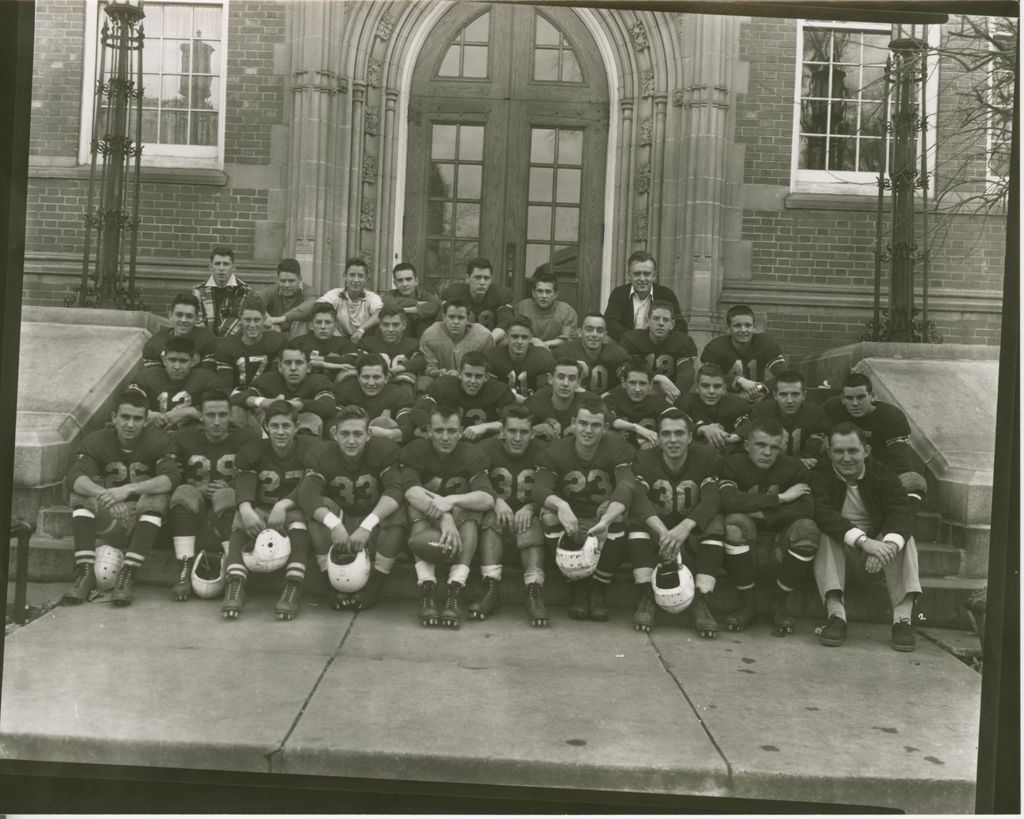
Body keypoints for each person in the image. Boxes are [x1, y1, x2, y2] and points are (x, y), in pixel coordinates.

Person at [61, 391, 181, 607]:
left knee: (157, 497)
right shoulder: (96, 440)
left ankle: (127, 574)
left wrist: (128, 490)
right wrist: (107, 496)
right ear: (114, 417)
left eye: (137, 418)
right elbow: (74, 477)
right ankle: (86, 573)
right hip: (111, 517)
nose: (130, 424)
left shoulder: (160, 441)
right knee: (80, 493)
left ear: (146, 421)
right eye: (125, 417)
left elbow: (171, 479)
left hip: (147, 522)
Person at [811, 422, 922, 652]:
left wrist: (885, 545)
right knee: (826, 533)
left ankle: (902, 621)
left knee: (905, 539)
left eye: (853, 451)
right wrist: (865, 542)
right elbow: (823, 513)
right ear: (829, 452)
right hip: (845, 553)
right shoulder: (821, 474)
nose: (846, 458)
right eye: (838, 451)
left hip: (878, 559)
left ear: (866, 451)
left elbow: (900, 511)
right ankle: (836, 617)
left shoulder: (882, 474)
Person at [533, 398, 637, 621]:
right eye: (583, 423)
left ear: (605, 428)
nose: (588, 430)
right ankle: (577, 587)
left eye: (595, 425)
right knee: (549, 515)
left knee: (618, 515)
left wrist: (607, 519)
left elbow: (627, 486)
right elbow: (539, 488)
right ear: (573, 423)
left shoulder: (618, 449)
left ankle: (599, 589)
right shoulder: (555, 451)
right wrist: (561, 505)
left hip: (600, 518)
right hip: (570, 518)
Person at [298, 405, 408, 612]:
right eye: (345, 433)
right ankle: (328, 580)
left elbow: (395, 490)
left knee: (396, 511)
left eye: (358, 434)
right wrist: (334, 524)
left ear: (368, 434)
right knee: (321, 507)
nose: (351, 440)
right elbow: (307, 495)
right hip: (340, 527)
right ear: (334, 434)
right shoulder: (320, 454)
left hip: (372, 528)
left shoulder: (383, 450)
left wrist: (367, 526)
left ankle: (376, 581)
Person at [718, 417, 820, 635]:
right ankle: (748, 603)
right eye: (761, 445)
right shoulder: (733, 463)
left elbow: (805, 509)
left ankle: (778, 602)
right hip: (746, 546)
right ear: (747, 445)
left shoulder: (794, 468)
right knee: (734, 524)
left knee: (807, 529)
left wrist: (760, 513)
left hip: (779, 544)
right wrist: (780, 499)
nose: (767, 453)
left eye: (774, 447)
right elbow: (727, 501)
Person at [629, 408, 725, 636]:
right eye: (667, 434)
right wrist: (663, 531)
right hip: (657, 537)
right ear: (658, 438)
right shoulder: (643, 459)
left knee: (716, 523)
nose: (673, 440)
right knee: (635, 521)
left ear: (690, 437)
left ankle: (701, 600)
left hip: (690, 536)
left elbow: (712, 499)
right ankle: (646, 595)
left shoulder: (707, 458)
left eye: (680, 433)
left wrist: (685, 527)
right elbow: (638, 498)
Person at [402, 405, 496, 628]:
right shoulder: (415, 450)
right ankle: (427, 587)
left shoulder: (472, 453)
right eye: (439, 430)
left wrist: (452, 501)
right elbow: (410, 491)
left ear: (461, 431)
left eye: (452, 431)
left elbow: (487, 498)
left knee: (470, 511)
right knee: (416, 509)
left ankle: (456, 586)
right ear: (429, 431)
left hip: (459, 520)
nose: (445, 437)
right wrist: (445, 516)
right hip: (430, 516)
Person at [221, 401, 316, 620]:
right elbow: (245, 482)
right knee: (241, 516)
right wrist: (245, 507)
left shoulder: (310, 448)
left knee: (298, 520)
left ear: (296, 426)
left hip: (295, 507)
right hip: (262, 507)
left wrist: (283, 505)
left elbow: (311, 485)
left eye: (286, 426)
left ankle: (293, 584)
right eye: (275, 426)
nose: (280, 432)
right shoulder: (252, 451)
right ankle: (235, 582)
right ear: (266, 426)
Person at [167, 390, 258, 601]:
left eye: (223, 415)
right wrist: (196, 489)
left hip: (232, 520)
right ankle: (184, 569)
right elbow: (168, 478)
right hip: (190, 521)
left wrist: (233, 487)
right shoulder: (183, 438)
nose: (217, 422)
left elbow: (257, 478)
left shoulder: (245, 438)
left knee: (225, 495)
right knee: (184, 491)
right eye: (210, 415)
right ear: (200, 415)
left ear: (230, 415)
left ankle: (235, 574)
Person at [475, 405, 549, 626]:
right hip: (497, 523)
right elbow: (474, 481)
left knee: (531, 524)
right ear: (502, 432)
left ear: (532, 433)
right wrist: (495, 500)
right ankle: (491, 588)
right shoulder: (485, 448)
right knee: (491, 519)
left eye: (524, 432)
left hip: (528, 523)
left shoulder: (544, 451)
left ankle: (534, 592)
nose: (517, 437)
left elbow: (551, 487)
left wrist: (532, 507)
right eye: (512, 431)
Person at [822, 372, 928, 509]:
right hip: (842, 473)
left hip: (879, 475)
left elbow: (900, 463)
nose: (855, 403)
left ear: (872, 396)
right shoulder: (832, 409)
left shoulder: (891, 417)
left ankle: (900, 527)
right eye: (849, 398)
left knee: (913, 481)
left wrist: (870, 483)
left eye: (861, 397)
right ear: (842, 398)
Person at [230, 343, 336, 437]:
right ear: (280, 367)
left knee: (313, 419)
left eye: (299, 363)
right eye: (288, 363)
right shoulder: (267, 380)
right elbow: (235, 398)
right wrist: (264, 402)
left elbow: (328, 406)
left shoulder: (318, 381)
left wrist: (298, 404)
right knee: (237, 410)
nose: (293, 368)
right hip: (267, 427)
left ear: (308, 367)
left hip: (301, 429)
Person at [411, 352, 516, 442]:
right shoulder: (444, 386)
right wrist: (444, 430)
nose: (472, 381)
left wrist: (485, 427)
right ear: (460, 374)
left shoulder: (498, 390)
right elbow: (418, 411)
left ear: (486, 377)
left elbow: (515, 421)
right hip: (449, 442)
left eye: (478, 376)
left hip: (485, 445)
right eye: (468, 375)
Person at [128, 335, 221, 430]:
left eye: (183, 361)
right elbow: (127, 401)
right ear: (164, 360)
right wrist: (146, 413)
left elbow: (220, 409)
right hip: (156, 434)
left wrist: (188, 412)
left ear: (193, 362)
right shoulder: (147, 376)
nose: (177, 366)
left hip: (191, 436)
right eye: (172, 360)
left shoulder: (207, 379)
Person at [746, 370, 831, 468]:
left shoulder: (817, 415)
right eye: (783, 394)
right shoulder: (760, 412)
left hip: (803, 471)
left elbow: (812, 454)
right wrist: (793, 463)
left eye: (795, 394)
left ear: (804, 395)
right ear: (775, 395)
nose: (789, 400)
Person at [700, 304, 786, 401]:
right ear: (728, 328)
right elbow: (706, 378)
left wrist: (760, 388)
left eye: (748, 325)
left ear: (754, 327)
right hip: (726, 400)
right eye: (737, 325)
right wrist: (738, 380)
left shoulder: (766, 344)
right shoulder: (715, 348)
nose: (743, 330)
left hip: (758, 398)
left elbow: (784, 375)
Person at [621, 301, 698, 401]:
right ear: (648, 321)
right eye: (656, 318)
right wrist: (657, 377)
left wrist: (674, 395)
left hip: (669, 395)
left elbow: (687, 374)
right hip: (637, 393)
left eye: (666, 320)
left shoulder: (683, 341)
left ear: (672, 324)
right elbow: (626, 370)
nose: (661, 323)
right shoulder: (632, 339)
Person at [332, 353, 416, 444]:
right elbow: (331, 424)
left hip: (384, 447)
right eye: (366, 377)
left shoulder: (399, 394)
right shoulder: (345, 390)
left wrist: (386, 433)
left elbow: (408, 429)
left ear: (386, 378)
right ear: (358, 378)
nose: (371, 383)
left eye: (376, 377)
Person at [602, 251, 680, 341]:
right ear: (629, 276)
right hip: (626, 347)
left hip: (658, 347)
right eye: (636, 274)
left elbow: (680, 325)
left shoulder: (666, 294)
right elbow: (610, 322)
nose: (642, 279)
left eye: (647, 274)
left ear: (654, 276)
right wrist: (634, 339)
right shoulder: (619, 293)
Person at [214, 295, 285, 392]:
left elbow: (275, 384)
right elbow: (226, 388)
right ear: (240, 319)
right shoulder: (227, 346)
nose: (252, 325)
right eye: (247, 320)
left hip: (266, 398)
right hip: (236, 399)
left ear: (264, 320)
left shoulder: (277, 342)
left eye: (257, 320)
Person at [677, 363, 751, 453]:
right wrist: (702, 429)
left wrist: (733, 437)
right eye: (705, 386)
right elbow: (679, 425)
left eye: (717, 386)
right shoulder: (685, 402)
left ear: (724, 388)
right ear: (697, 387)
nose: (711, 391)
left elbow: (747, 425)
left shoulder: (735, 404)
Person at [524, 358, 600, 440]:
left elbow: (607, 432)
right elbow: (517, 433)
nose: (565, 383)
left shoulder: (591, 402)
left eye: (571, 378)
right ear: (550, 379)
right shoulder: (535, 403)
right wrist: (534, 432)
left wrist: (584, 433)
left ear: (578, 383)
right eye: (561, 377)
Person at [419, 298, 494, 381]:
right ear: (444, 317)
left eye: (461, 318)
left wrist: (460, 374)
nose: (455, 322)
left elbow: (488, 369)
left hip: (473, 382)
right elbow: (428, 368)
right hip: (441, 382)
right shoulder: (430, 335)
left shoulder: (483, 335)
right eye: (451, 317)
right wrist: (438, 372)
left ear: (469, 319)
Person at [311, 257, 384, 343]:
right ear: (345, 276)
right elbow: (318, 307)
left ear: (366, 279)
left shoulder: (371, 297)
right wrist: (335, 332)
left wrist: (361, 329)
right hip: (337, 341)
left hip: (363, 341)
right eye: (352, 275)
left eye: (360, 276)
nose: (356, 280)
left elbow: (381, 313)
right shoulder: (336, 294)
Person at [604, 360, 673, 450]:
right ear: (624, 383)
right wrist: (636, 427)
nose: (637, 389)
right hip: (617, 455)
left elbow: (680, 418)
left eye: (642, 383)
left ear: (650, 385)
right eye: (632, 383)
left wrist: (659, 440)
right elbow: (607, 417)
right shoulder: (612, 399)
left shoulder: (657, 402)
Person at [359, 306, 427, 396]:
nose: (390, 330)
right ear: (379, 325)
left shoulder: (413, 344)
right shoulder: (367, 343)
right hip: (372, 388)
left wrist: (397, 369)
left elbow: (420, 360)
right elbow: (358, 359)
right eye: (386, 325)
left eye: (395, 325)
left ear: (404, 325)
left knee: (406, 378)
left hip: (401, 391)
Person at [442, 258, 514, 343]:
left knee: (506, 341)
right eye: (478, 277)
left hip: (490, 343)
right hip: (459, 341)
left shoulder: (500, 294)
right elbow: (442, 320)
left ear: (490, 280)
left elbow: (506, 322)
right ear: (467, 278)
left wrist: (488, 341)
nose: (482, 282)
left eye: (486, 278)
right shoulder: (454, 293)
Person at [558, 312, 631, 395]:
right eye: (589, 329)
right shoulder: (565, 351)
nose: (594, 334)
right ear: (580, 332)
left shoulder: (617, 353)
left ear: (605, 334)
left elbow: (630, 379)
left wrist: (610, 394)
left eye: (599, 330)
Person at [485, 316, 554, 401]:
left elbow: (547, 391)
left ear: (530, 338)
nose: (519, 342)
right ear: (507, 336)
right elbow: (489, 390)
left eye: (524, 337)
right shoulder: (492, 356)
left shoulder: (543, 357)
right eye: (515, 336)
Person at [142, 293, 218, 370]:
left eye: (189, 316)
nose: (183, 320)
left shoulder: (208, 340)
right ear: (170, 315)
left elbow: (208, 376)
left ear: (197, 318)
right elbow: (152, 378)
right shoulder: (155, 343)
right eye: (179, 315)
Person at [192, 246, 252, 337]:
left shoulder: (244, 290)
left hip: (232, 345)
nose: (221, 268)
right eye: (217, 263)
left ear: (233, 267)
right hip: (205, 344)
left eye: (226, 264)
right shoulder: (199, 291)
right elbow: (198, 322)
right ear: (211, 267)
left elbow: (236, 321)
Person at [514, 271, 579, 350]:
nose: (544, 296)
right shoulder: (522, 307)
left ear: (556, 294)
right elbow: (514, 333)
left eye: (548, 292)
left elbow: (568, 339)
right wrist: (533, 341)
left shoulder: (567, 311)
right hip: (527, 350)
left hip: (555, 351)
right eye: (540, 291)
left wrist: (543, 345)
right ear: (533, 293)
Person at [298, 301, 360, 382]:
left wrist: (318, 359)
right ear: (311, 325)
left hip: (337, 386)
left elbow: (351, 360)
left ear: (335, 326)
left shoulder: (344, 343)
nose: (323, 327)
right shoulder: (299, 342)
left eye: (328, 322)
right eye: (318, 322)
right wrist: (330, 363)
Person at [380, 262, 440, 339]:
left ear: (416, 281)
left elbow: (434, 306)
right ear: (395, 283)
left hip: (421, 339)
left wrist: (403, 310)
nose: (404, 284)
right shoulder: (390, 294)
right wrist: (417, 303)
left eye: (408, 279)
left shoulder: (425, 296)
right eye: (400, 280)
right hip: (397, 340)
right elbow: (388, 301)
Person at [262, 258, 318, 337]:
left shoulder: (308, 291)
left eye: (291, 281)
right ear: (278, 280)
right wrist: (267, 318)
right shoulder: (272, 290)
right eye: (283, 281)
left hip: (299, 337)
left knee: (301, 322)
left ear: (300, 280)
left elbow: (312, 304)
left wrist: (281, 319)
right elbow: (254, 302)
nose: (286, 285)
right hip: (274, 334)